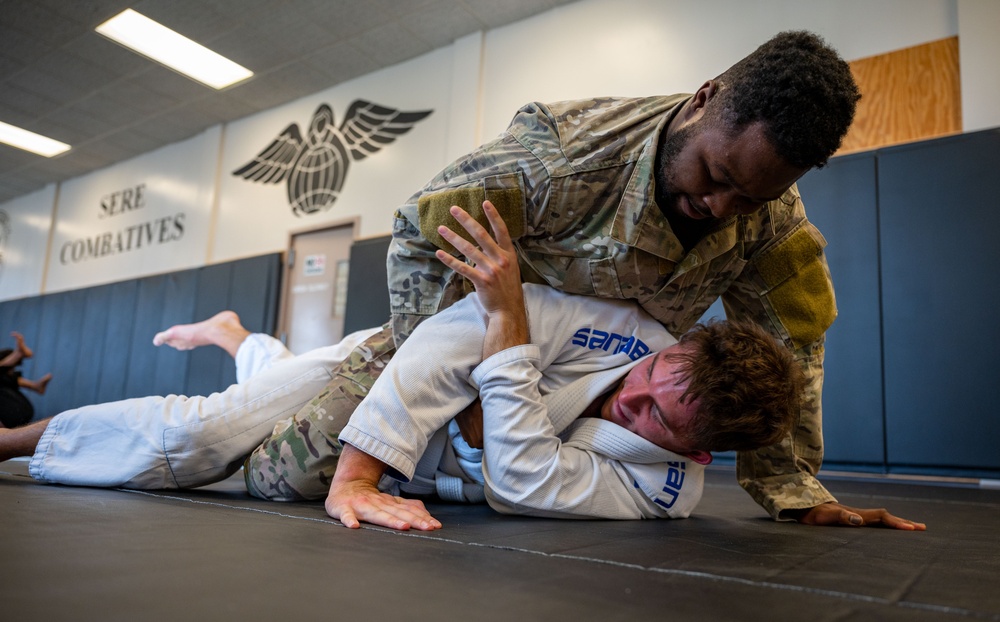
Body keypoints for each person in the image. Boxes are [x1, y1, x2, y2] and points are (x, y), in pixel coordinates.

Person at [299, 30, 924, 530]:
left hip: (611, 399)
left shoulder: (775, 227)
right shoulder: (561, 156)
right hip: (473, 346)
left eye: (750, 198)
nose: (721, 207)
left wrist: (791, 488)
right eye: (715, 174)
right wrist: (457, 392)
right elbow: (427, 231)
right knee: (294, 473)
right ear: (704, 100)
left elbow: (794, 349)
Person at [0, 203, 808, 533]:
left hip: (432, 456)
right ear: (675, 347)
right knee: (203, 435)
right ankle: (10, 440)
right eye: (650, 376)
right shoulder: (624, 330)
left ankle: (237, 332)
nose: (631, 395)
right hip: (387, 358)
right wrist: (356, 475)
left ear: (702, 452)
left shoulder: (665, 491)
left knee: (256, 408)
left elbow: (524, 481)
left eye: (656, 418)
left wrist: (511, 337)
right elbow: (446, 343)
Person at [0, 332, 52, 429]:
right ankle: (16, 356)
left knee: (5, 377)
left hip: (16, 416)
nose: (13, 371)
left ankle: (16, 356)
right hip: (11, 418)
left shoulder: (6, 381)